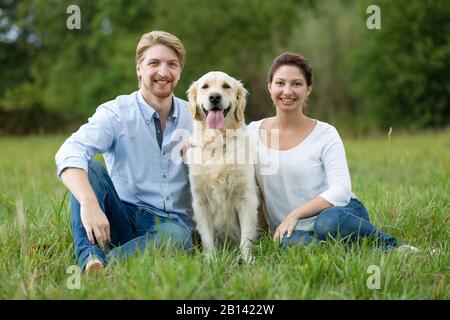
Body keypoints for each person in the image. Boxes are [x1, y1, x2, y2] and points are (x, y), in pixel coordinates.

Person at [55, 31, 195, 274]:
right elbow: (70, 150)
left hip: (170, 225)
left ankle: (104, 268)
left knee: (177, 238)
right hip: (119, 215)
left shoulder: (197, 117)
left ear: (180, 71)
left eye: (172, 64)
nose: (163, 72)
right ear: (139, 68)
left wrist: (207, 146)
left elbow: (231, 154)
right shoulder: (117, 113)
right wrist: (89, 202)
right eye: (154, 63)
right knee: (90, 169)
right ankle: (91, 258)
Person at [248, 52, 419, 252]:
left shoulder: (325, 133)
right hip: (291, 230)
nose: (287, 91)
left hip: (339, 214)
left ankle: (395, 248)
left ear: (308, 89)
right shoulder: (251, 133)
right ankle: (354, 250)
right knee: (289, 243)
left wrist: (295, 214)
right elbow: (242, 184)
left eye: (296, 84)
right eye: (280, 83)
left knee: (327, 223)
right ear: (269, 87)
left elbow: (341, 190)